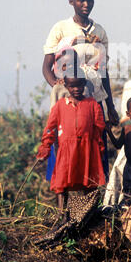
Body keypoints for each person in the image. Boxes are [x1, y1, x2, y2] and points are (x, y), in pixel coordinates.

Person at [42, 0, 119, 125]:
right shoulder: (61, 28)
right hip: (68, 98)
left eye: (90, 0)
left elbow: (103, 72)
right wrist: (58, 86)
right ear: (71, 1)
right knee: (68, 137)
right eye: (81, 0)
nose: (86, 4)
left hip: (94, 97)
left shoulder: (99, 31)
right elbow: (46, 67)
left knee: (94, 140)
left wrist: (110, 106)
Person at [36, 68, 106, 222]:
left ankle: (89, 212)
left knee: (89, 180)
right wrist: (45, 146)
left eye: (79, 86)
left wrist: (98, 146)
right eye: (72, 86)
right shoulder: (60, 105)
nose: (76, 89)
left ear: (84, 85)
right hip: (67, 149)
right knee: (62, 180)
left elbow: (99, 125)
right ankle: (62, 214)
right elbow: (50, 126)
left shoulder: (92, 103)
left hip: (87, 148)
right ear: (66, 86)